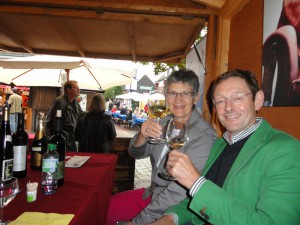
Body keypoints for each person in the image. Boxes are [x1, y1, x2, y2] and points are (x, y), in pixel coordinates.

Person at [149, 69, 300, 225]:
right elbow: (196, 200)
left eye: (237, 97)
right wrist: (170, 218)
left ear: (258, 100)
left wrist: (195, 182)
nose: (228, 107)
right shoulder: (220, 144)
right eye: (220, 101)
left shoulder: (286, 151)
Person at [106, 69, 217, 225]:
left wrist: (137, 222)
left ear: (196, 97)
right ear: (166, 96)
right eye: (172, 93)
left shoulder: (204, 136)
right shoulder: (163, 122)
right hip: (151, 193)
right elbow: (134, 153)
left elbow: (177, 192)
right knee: (104, 208)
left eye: (186, 93)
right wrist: (142, 136)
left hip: (177, 207)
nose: (178, 99)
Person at [46, 80, 82, 151]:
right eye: (76, 88)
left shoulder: (76, 103)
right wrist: (57, 137)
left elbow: (80, 117)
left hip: (71, 141)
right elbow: (50, 122)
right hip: (60, 141)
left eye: (78, 88)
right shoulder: (60, 102)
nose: (78, 89)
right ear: (68, 90)